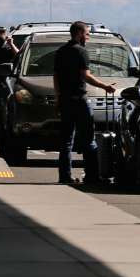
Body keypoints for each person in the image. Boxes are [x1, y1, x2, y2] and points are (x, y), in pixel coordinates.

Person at [53, 21, 116, 185]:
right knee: (88, 140)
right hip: (80, 101)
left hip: (65, 100)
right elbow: (85, 76)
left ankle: (64, 176)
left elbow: (56, 78)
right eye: (87, 33)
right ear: (79, 33)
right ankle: (92, 176)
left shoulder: (61, 51)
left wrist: (59, 98)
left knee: (66, 141)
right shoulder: (81, 52)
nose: (88, 36)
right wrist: (105, 86)